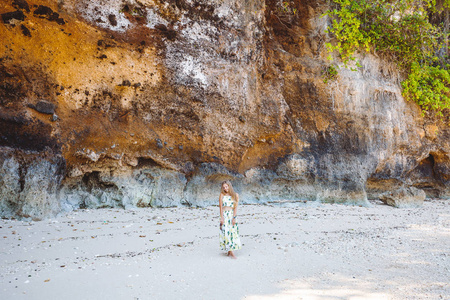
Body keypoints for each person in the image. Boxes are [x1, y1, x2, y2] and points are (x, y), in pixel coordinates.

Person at [219, 180, 242, 258]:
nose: (225, 188)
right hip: (225, 215)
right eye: (224, 187)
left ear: (229, 186)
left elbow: (235, 207)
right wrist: (221, 217)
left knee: (232, 233)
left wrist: (234, 218)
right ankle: (230, 251)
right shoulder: (222, 195)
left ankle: (231, 251)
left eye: (226, 186)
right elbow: (221, 207)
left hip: (231, 215)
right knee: (226, 232)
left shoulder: (235, 195)